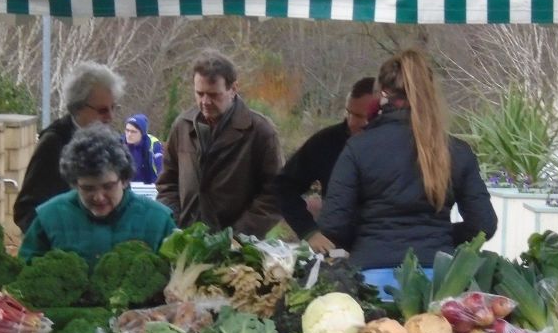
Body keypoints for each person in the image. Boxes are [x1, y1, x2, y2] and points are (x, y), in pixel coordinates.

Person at [318, 48, 497, 270]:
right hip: (439, 279)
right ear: (430, 93)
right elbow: (484, 225)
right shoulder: (456, 151)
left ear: (382, 95)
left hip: (369, 274)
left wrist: (367, 235)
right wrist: (442, 234)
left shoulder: (358, 148)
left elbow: (332, 225)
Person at [155, 49, 283, 237]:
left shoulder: (260, 132)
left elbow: (276, 193)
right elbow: (167, 183)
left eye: (214, 95)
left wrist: (238, 235)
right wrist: (176, 222)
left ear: (233, 89)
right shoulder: (182, 127)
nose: (205, 101)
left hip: (239, 248)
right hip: (187, 240)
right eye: (199, 93)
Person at [19, 123, 175, 267]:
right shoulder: (49, 217)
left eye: (108, 187)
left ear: (124, 179)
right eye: (88, 188)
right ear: (74, 184)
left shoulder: (159, 220)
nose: (99, 197)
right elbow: (25, 271)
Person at [13, 62, 125, 233]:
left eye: (113, 108)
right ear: (78, 108)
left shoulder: (113, 142)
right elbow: (25, 209)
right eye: (102, 110)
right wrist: (57, 241)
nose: (110, 117)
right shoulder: (54, 143)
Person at [274, 77, 377, 253]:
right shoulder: (326, 142)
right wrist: (309, 232)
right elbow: (284, 186)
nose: (352, 122)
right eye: (349, 113)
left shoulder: (398, 146)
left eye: (361, 117)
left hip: (381, 248)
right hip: (336, 250)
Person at [124, 114, 164, 184]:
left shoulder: (153, 144)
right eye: (127, 130)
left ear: (142, 134)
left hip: (149, 187)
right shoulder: (119, 144)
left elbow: (161, 170)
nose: (129, 134)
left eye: (133, 132)